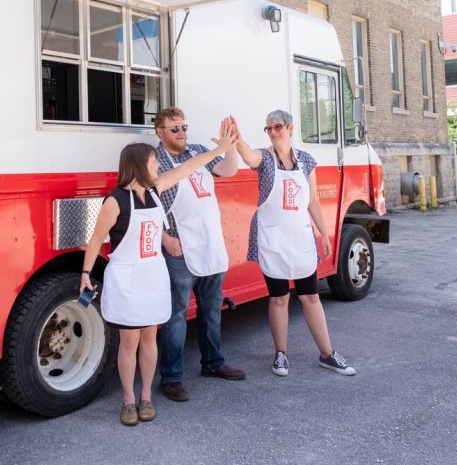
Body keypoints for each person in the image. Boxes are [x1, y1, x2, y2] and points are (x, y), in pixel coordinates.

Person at [80, 122, 236, 426]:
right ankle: (128, 398)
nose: (157, 166)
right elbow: (96, 239)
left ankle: (147, 396)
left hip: (153, 276)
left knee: (150, 338)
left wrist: (221, 150)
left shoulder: (155, 189)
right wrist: (86, 272)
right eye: (153, 162)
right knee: (129, 342)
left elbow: (191, 165)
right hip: (126, 278)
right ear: (139, 166)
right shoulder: (115, 200)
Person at [234, 110, 356, 378]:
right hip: (273, 240)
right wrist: (238, 140)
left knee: (311, 296)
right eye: (269, 128)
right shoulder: (264, 159)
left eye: (278, 127)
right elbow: (249, 156)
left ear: (290, 128)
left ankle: (328, 354)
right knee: (279, 299)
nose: (274, 132)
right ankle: (280, 355)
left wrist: (324, 234)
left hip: (300, 238)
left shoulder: (306, 161)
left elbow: (312, 200)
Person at [153, 109, 247, 404]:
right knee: (176, 314)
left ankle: (213, 363)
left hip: (209, 241)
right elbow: (146, 203)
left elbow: (228, 170)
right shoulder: (154, 160)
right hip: (179, 247)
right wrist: (164, 238)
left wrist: (229, 148)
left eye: (183, 127)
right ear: (160, 132)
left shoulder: (198, 150)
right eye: (174, 129)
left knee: (211, 307)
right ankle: (171, 377)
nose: (181, 133)